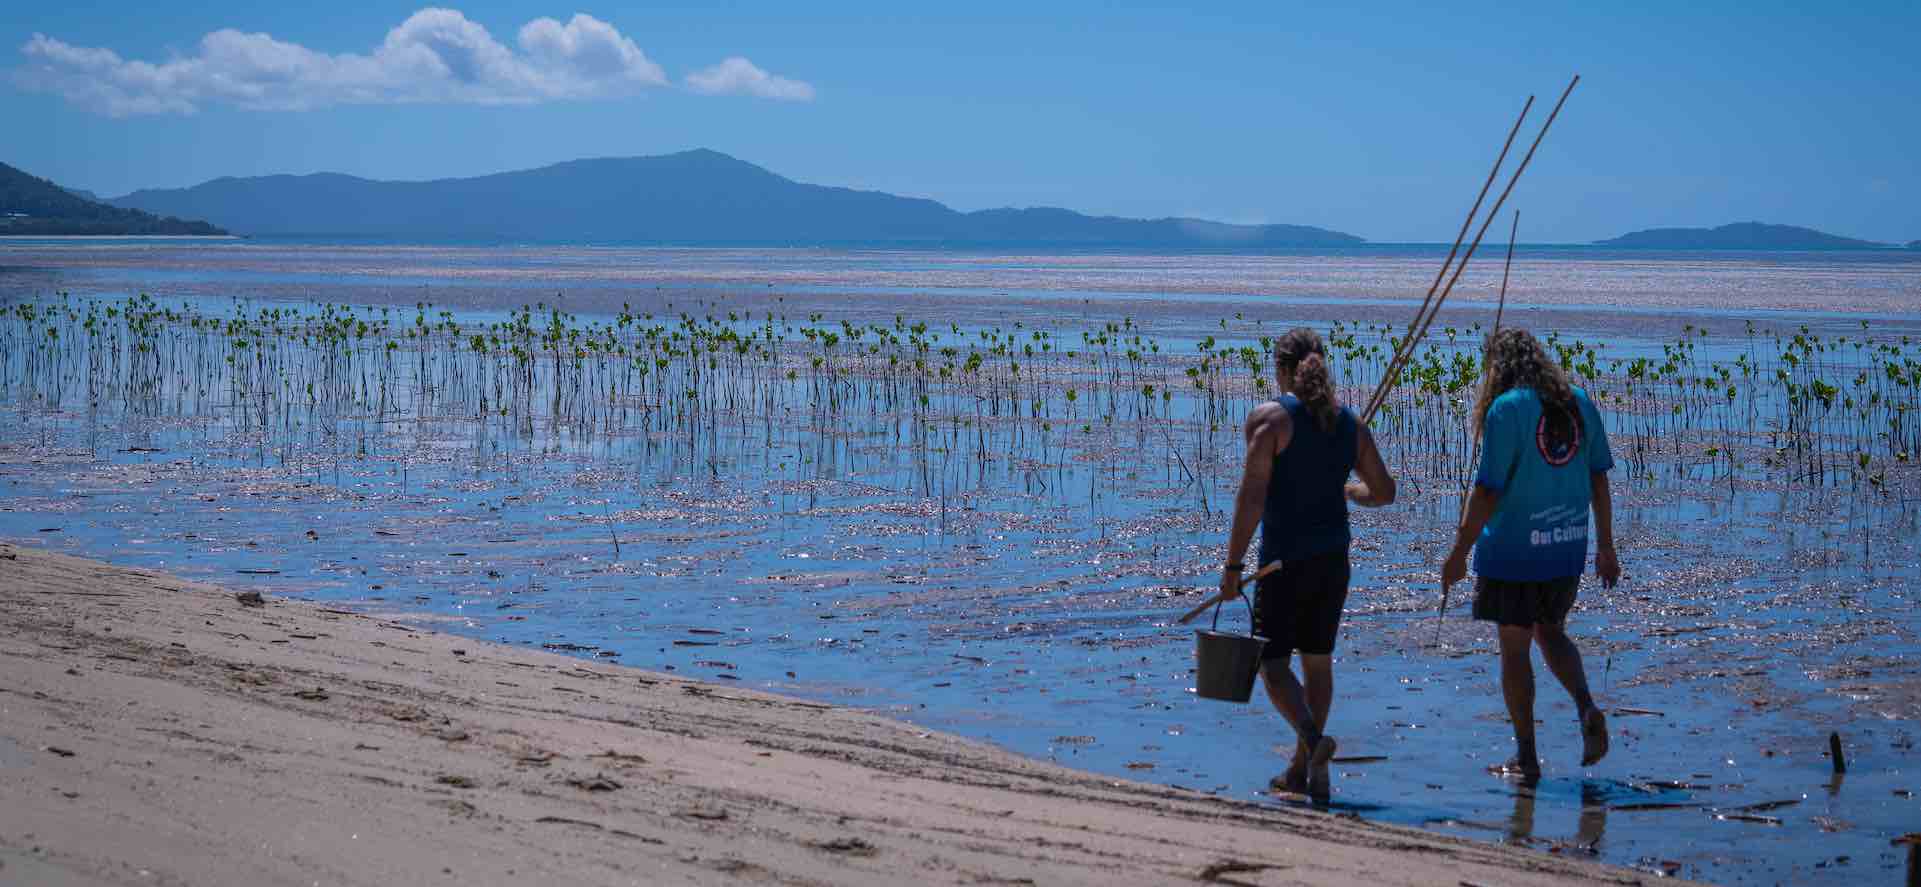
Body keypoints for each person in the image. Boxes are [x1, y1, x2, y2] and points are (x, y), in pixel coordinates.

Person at [1219, 327, 1396, 802]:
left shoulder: (1269, 421)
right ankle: (1301, 770)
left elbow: (1252, 495)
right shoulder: (1351, 426)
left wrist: (1233, 566)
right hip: (1332, 563)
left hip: (1282, 565)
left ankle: (1314, 745)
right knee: (1317, 663)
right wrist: (1349, 490)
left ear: (1281, 370)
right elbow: (1384, 492)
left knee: (1273, 666)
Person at [1441, 327, 1621, 781]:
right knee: (1551, 632)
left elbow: (1485, 490)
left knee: (1515, 648)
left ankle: (1526, 756)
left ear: (1497, 368)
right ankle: (1584, 705)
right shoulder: (1578, 400)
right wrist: (1605, 546)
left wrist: (1459, 551)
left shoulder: (1505, 409)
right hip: (1566, 546)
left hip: (1514, 550)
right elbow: (1599, 477)